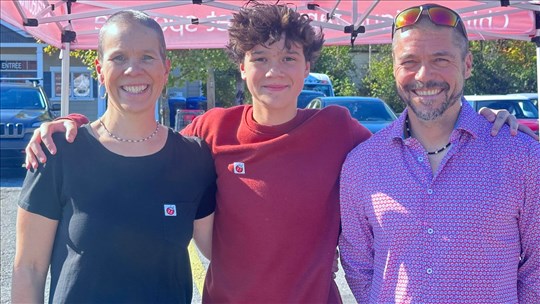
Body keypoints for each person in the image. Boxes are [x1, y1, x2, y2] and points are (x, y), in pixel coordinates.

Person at [22, 2, 533, 303]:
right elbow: (143, 140)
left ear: (308, 64)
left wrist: (488, 120)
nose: (274, 71)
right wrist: (73, 125)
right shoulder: (210, 130)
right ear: (240, 67)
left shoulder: (340, 130)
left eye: (289, 57)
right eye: (259, 58)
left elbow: (414, 136)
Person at [11, 10, 216, 304]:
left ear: (165, 68)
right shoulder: (58, 152)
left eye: (147, 57)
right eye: (119, 57)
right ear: (99, 69)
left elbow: (218, 251)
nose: (133, 70)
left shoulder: (194, 158)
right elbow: (28, 268)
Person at [339, 4, 540, 303]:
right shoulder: (363, 163)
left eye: (440, 59)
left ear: (467, 64)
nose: (424, 75)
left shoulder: (521, 157)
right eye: (409, 61)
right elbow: (357, 264)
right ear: (394, 67)